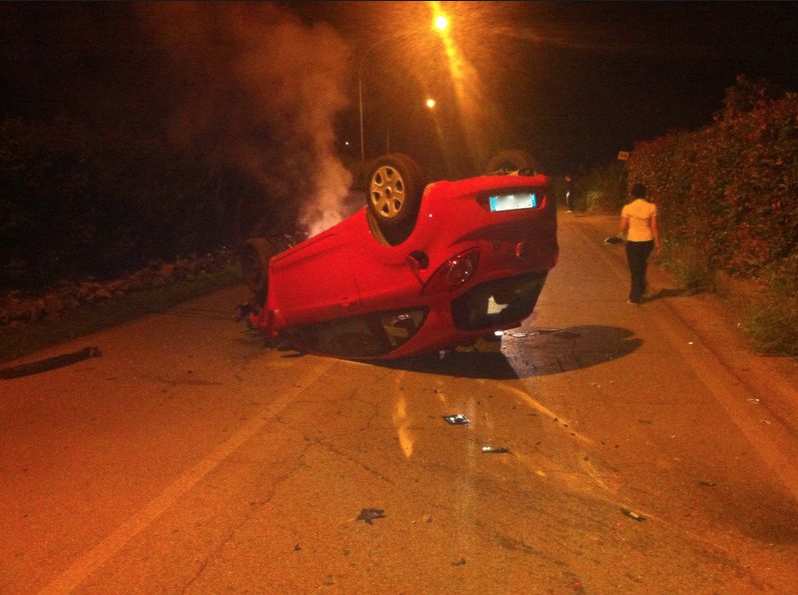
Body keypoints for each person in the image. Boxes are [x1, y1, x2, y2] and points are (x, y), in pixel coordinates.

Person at [619, 182, 660, 304]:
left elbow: (622, 226)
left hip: (633, 241)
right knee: (642, 266)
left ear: (633, 194)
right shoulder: (652, 207)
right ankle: (641, 290)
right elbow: (654, 226)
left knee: (635, 269)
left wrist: (625, 228)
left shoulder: (627, 208)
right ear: (644, 193)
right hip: (647, 241)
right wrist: (657, 244)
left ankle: (635, 297)